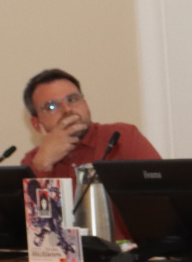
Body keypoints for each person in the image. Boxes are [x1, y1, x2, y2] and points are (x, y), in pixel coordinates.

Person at [20, 68, 161, 179]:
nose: (67, 109)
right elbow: (27, 214)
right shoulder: (33, 161)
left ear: (86, 104)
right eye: (52, 106)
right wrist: (42, 166)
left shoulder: (123, 138)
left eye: (73, 99)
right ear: (36, 124)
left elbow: (160, 184)